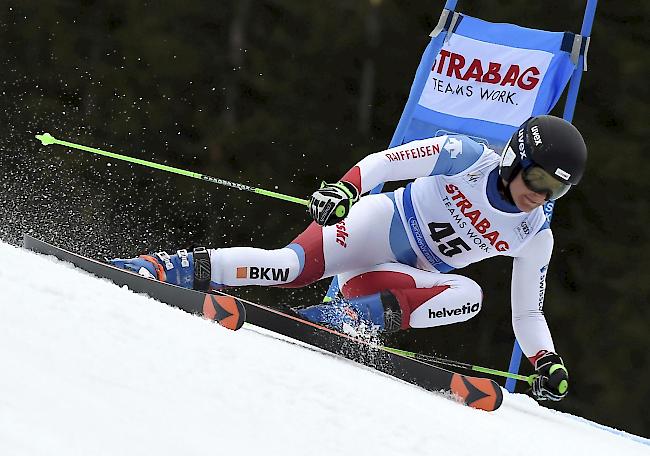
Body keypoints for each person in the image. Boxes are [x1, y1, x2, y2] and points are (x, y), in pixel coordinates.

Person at [111, 115, 586, 402]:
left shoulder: (534, 233)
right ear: (515, 161)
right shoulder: (466, 157)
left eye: (557, 190)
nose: (540, 196)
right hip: (375, 226)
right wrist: (346, 189)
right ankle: (162, 268)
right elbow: (388, 162)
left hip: (394, 280)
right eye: (540, 180)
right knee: (287, 268)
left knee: (470, 295)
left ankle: (340, 320)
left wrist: (545, 360)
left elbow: (527, 310)